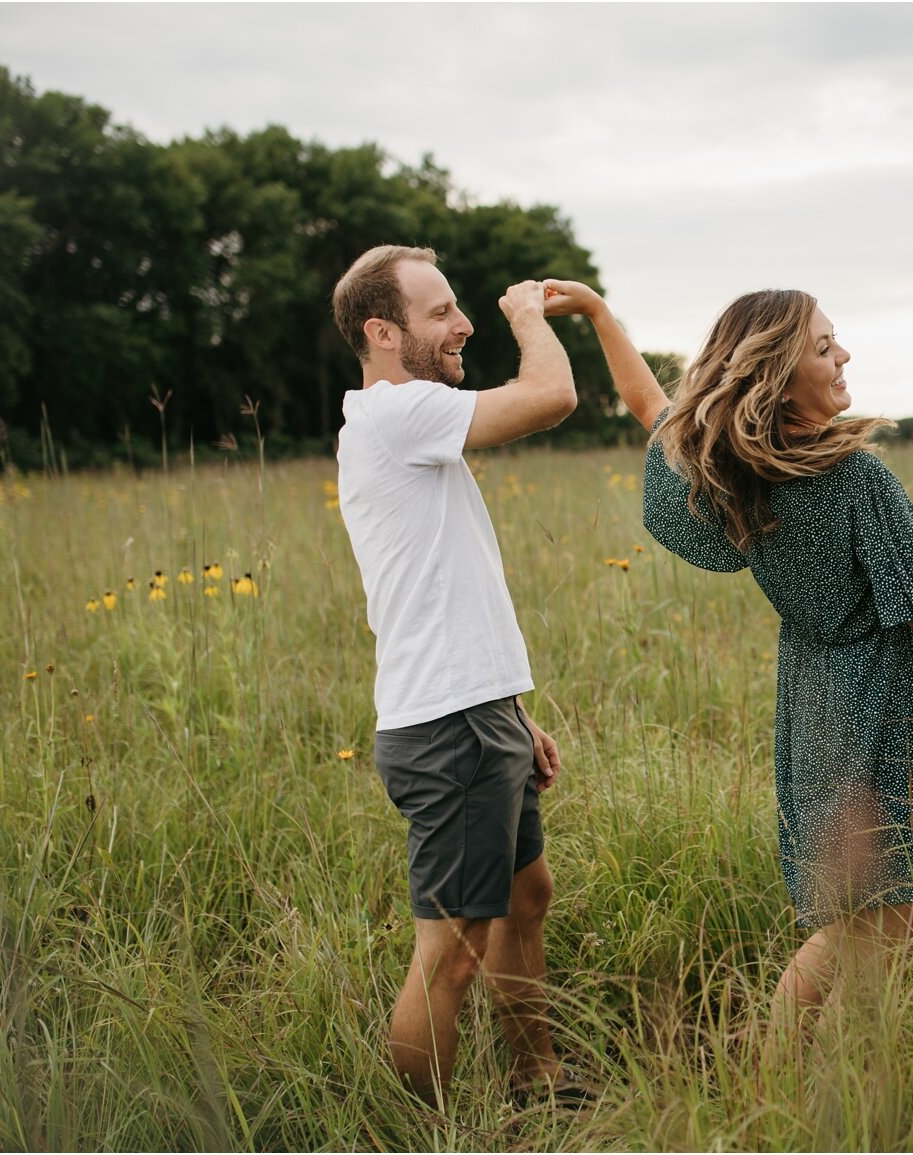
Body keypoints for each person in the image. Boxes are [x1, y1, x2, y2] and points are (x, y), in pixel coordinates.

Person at [546, 281, 913, 1012]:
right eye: (822, 346)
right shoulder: (855, 477)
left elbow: (649, 407)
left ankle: (826, 1072)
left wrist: (596, 313)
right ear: (779, 377)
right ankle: (783, 1075)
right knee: (875, 916)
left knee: (866, 911)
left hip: (810, 694)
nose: (843, 354)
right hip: (877, 699)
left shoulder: (736, 469)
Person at [329, 244, 589, 1108]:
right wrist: (527, 317)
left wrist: (514, 716)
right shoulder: (395, 411)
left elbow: (447, 588)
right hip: (448, 731)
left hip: (477, 715)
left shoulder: (402, 423)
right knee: (453, 953)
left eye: (462, 309)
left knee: (526, 897)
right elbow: (553, 395)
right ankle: (413, 1129)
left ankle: (539, 1080)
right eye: (440, 311)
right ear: (382, 332)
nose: (464, 323)